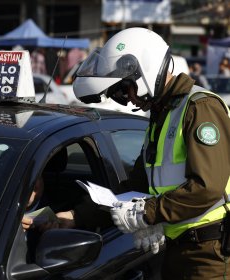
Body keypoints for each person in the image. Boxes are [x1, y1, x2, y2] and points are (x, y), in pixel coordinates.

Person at [72, 27, 230, 280]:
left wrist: (147, 213)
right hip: (178, 249)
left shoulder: (200, 107)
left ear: (142, 71)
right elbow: (137, 183)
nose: (127, 101)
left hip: (209, 253)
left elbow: (206, 187)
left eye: (124, 90)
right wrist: (77, 216)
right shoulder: (164, 113)